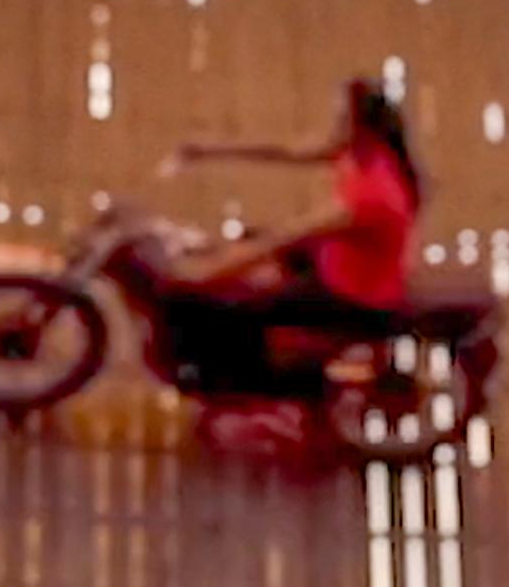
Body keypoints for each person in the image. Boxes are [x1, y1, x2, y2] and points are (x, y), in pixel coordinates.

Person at [159, 79, 427, 388]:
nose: (335, 125)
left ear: (361, 127)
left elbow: (287, 236)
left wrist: (207, 274)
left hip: (355, 295)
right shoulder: (363, 152)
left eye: (341, 118)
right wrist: (207, 150)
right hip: (344, 263)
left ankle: (305, 378)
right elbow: (283, 151)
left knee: (243, 306)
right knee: (249, 246)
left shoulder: (371, 193)